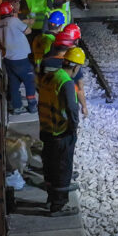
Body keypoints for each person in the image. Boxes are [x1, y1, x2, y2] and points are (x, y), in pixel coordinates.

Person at [40, 46, 86, 215]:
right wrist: (73, 130)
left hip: (46, 129)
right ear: (76, 67)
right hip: (60, 132)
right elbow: (72, 111)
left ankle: (51, 199)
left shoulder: (50, 76)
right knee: (62, 169)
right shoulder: (66, 83)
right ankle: (58, 206)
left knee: (50, 167)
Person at [0, 2, 38, 116]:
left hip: (8, 59)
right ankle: (32, 105)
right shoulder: (13, 21)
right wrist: (28, 23)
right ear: (11, 11)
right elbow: (28, 31)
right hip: (21, 58)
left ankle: (17, 107)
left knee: (14, 83)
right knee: (29, 81)